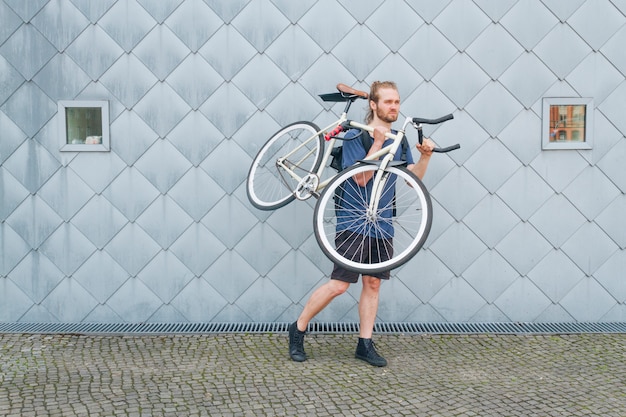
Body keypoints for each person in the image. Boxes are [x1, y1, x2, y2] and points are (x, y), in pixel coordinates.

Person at [288, 81, 436, 367]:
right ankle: (299, 328)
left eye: (397, 101)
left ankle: (364, 344)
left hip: (382, 223)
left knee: (373, 284)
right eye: (388, 102)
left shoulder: (401, 139)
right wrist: (379, 142)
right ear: (373, 104)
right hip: (353, 219)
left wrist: (425, 157)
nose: (394, 107)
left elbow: (412, 179)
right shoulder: (359, 135)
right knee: (340, 284)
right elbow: (359, 178)